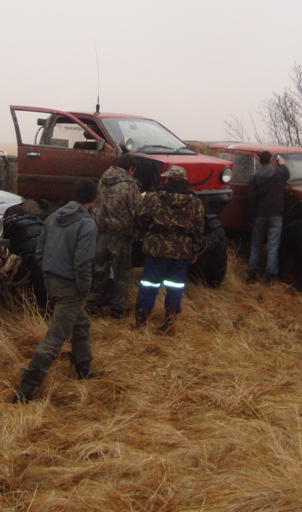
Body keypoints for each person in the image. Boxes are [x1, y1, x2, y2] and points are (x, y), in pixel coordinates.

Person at [12, 179, 99, 403]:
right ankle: (26, 388)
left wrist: (49, 273)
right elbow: (83, 263)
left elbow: (39, 251)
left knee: (81, 323)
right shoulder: (87, 225)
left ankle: (83, 367)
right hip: (71, 286)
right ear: (93, 200)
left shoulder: (53, 218)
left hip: (51, 280)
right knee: (55, 337)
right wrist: (84, 288)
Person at [132, 165, 206, 333]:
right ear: (184, 180)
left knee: (149, 284)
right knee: (175, 286)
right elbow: (199, 230)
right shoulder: (195, 202)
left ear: (167, 179)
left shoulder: (153, 197)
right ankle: (170, 323)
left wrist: (146, 233)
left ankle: (141, 323)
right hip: (181, 252)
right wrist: (194, 250)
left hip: (156, 249)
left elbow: (139, 217)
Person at [85, 153, 140, 319]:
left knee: (99, 269)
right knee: (121, 272)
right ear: (131, 169)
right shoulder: (130, 185)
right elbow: (137, 211)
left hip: (99, 230)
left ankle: (94, 302)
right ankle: (117, 309)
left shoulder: (104, 178)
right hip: (120, 235)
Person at [245, 151, 290, 284]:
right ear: (271, 160)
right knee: (273, 245)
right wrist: (282, 163)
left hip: (259, 215)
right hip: (276, 214)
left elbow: (250, 199)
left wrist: (250, 218)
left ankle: (252, 273)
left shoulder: (254, 177)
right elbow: (286, 173)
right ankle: (269, 276)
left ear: (259, 161)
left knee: (256, 245)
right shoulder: (278, 173)